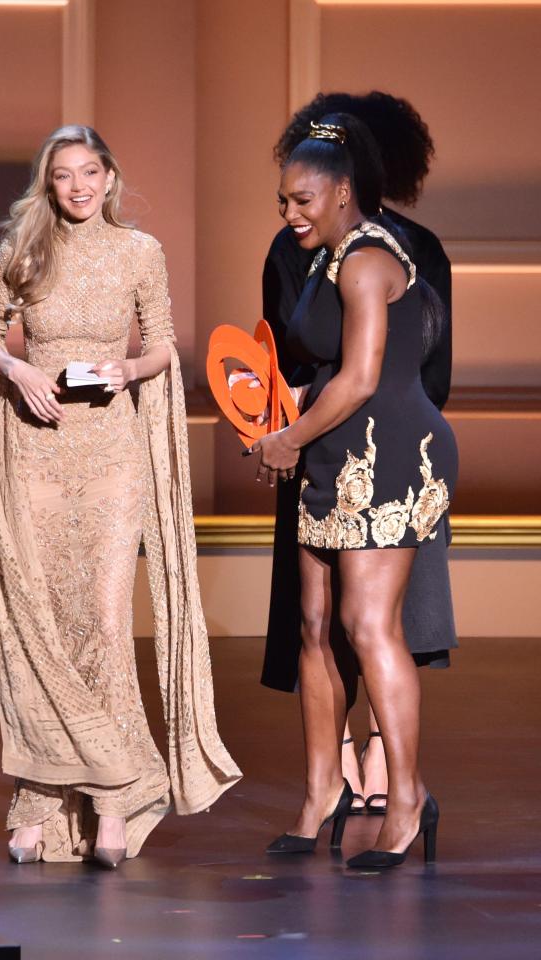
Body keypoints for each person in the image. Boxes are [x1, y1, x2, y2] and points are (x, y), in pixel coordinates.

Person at [0, 125, 241, 869]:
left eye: (90, 171)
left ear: (109, 176)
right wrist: (17, 369)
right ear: (48, 183)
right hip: (38, 449)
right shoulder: (23, 250)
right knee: (44, 622)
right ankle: (38, 798)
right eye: (64, 176)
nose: (79, 186)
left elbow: (164, 345)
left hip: (111, 454)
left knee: (102, 617)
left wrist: (130, 371)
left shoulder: (138, 252)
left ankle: (114, 796)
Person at [249, 113, 458, 867]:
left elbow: (362, 376)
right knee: (313, 628)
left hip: (390, 453)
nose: (290, 214)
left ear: (343, 193)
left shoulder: (369, 259)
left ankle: (406, 804)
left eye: (301, 200)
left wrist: (286, 440)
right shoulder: (320, 258)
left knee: (369, 628)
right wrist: (283, 429)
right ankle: (320, 795)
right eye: (282, 202)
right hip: (328, 454)